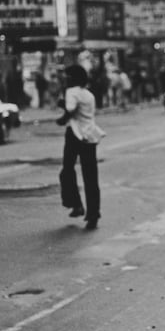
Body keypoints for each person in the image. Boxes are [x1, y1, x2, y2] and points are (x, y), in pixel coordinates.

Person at [58, 65, 106, 230]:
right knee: (91, 177)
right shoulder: (89, 94)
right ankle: (94, 214)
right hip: (90, 136)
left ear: (73, 78)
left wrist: (62, 113)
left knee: (67, 170)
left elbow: (70, 109)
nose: (65, 79)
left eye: (67, 76)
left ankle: (75, 204)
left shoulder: (71, 92)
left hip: (74, 135)